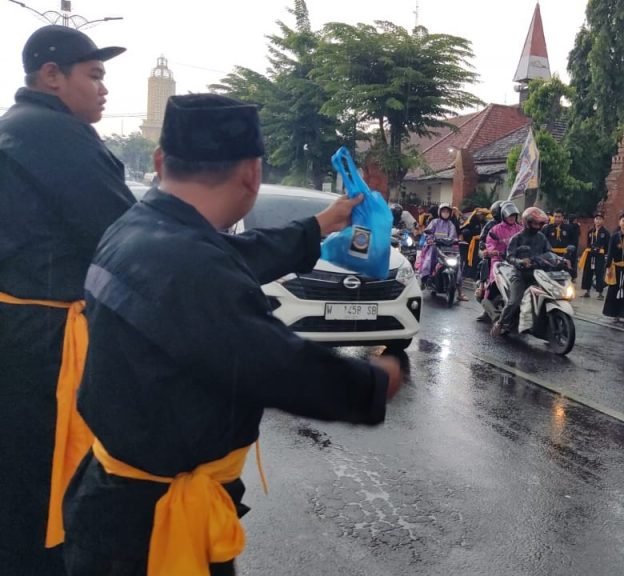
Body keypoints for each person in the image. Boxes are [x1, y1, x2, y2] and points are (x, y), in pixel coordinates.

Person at [61, 93, 404, 575]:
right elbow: (280, 367)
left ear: (159, 161)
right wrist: (377, 380)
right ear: (251, 174)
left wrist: (319, 225)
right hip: (150, 535)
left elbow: (238, 254)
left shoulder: (140, 228)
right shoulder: (190, 266)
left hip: (113, 506)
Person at [0, 25, 132, 574]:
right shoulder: (56, 134)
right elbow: (127, 238)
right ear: (52, 75)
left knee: (17, 479)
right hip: (47, 342)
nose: (104, 88)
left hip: (17, 330)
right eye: (94, 75)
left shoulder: (14, 127)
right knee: (51, 485)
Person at [492, 207, 555, 336]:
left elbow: (549, 253)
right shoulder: (517, 238)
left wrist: (562, 260)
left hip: (538, 274)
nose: (537, 226)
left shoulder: (542, 238)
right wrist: (520, 262)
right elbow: (509, 257)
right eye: (535, 223)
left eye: (539, 224)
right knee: (514, 301)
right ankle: (501, 323)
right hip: (520, 275)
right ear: (527, 222)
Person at [480, 202, 523, 321]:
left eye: (514, 216)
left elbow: (525, 242)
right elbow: (489, 243)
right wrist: (493, 251)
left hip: (514, 261)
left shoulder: (520, 229)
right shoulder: (495, 229)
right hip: (499, 261)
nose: (512, 218)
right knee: (493, 283)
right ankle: (487, 308)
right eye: (510, 216)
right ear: (504, 216)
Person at [602, 213, 624, 324]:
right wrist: (608, 267)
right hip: (616, 267)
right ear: (619, 223)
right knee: (614, 290)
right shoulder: (614, 237)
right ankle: (614, 314)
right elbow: (610, 252)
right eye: (623, 220)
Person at [580, 212, 611, 299]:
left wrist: (606, 255)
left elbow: (608, 245)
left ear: (603, 221)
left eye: (600, 219)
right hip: (590, 254)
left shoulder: (605, 233)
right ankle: (587, 291)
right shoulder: (591, 231)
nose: (598, 221)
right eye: (596, 219)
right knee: (588, 272)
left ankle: (600, 293)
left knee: (599, 273)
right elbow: (588, 243)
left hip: (600, 255)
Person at [543, 208, 579, 278]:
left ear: (562, 217)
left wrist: (570, 255)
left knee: (565, 276)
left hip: (565, 255)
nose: (557, 219)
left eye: (559, 217)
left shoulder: (569, 228)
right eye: (555, 216)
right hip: (551, 255)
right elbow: (543, 241)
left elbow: (574, 242)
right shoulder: (547, 228)